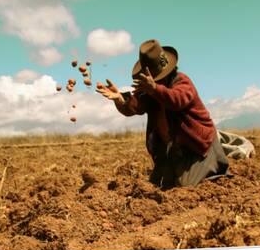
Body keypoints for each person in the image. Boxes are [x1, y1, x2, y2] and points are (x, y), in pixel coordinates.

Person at [96, 39, 229, 188]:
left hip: (197, 147)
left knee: (184, 186)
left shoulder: (182, 81)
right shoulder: (149, 91)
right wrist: (120, 99)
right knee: (159, 184)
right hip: (173, 149)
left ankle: (215, 166)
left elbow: (177, 100)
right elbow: (134, 107)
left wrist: (154, 89)